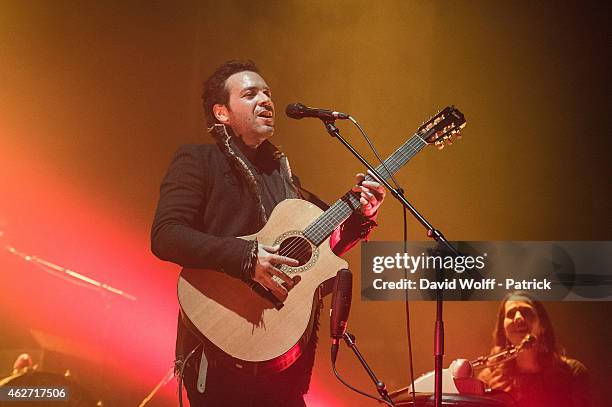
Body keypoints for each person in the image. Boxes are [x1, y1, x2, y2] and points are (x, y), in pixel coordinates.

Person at [150, 60, 385, 406]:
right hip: (220, 354)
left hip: (283, 360)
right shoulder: (199, 160)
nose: (266, 100)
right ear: (222, 113)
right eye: (250, 94)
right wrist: (246, 258)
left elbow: (321, 250)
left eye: (268, 93)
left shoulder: (285, 179)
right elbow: (166, 235)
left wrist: (362, 215)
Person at [477, 292, 591, 407]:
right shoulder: (486, 381)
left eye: (526, 312)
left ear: (543, 325)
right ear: (504, 330)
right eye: (511, 314)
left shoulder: (572, 373)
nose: (518, 318)